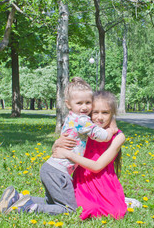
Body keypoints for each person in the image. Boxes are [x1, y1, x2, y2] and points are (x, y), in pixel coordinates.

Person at [0, 78, 117, 215]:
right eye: (79, 103)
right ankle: (27, 208)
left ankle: (16, 198)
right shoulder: (82, 120)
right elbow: (101, 136)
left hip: (51, 168)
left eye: (88, 103)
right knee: (69, 210)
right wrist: (110, 131)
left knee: (52, 202)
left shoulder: (71, 117)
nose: (84, 107)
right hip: (58, 172)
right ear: (68, 104)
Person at [53, 91, 128, 220]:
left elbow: (97, 166)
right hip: (83, 182)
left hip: (105, 183)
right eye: (95, 112)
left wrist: (69, 154)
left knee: (116, 212)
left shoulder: (118, 137)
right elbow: (57, 151)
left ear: (112, 114)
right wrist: (56, 143)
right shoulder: (85, 130)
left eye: (105, 112)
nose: (100, 117)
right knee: (87, 209)